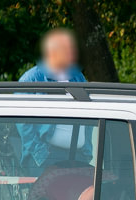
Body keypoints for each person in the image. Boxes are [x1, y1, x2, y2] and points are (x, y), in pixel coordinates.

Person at [18, 29, 89, 172]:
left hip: (79, 156)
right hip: (47, 157)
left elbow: (89, 115)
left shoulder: (77, 76)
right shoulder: (31, 79)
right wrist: (41, 154)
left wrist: (87, 150)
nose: (72, 53)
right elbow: (22, 121)